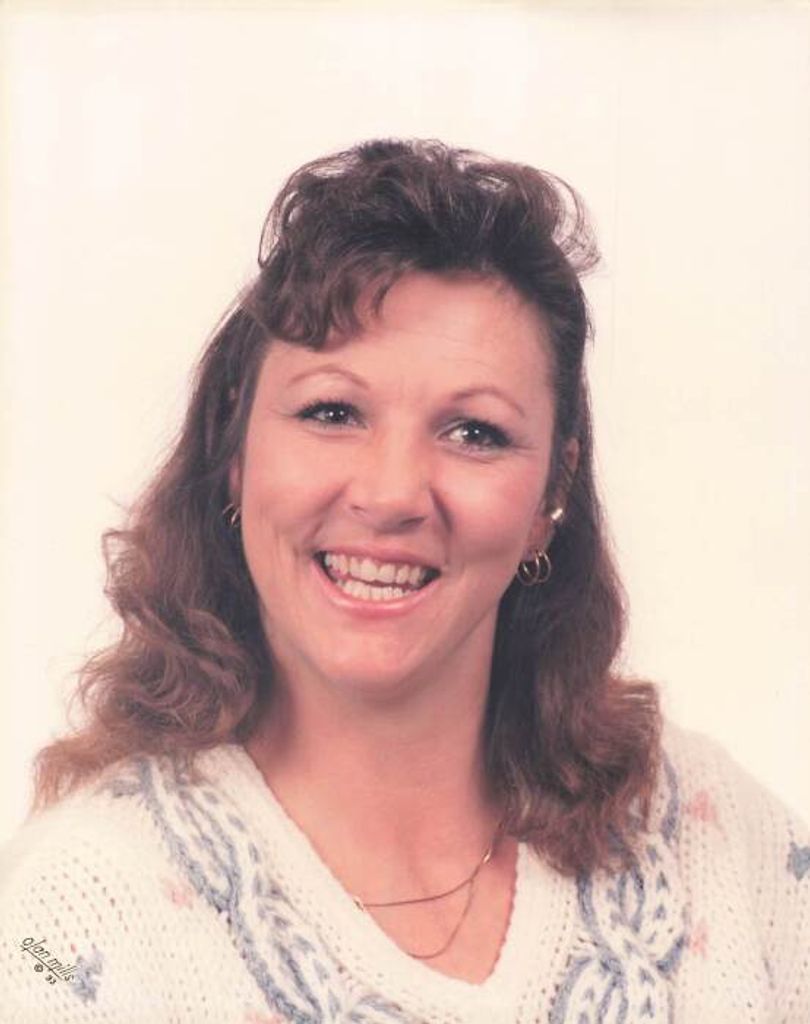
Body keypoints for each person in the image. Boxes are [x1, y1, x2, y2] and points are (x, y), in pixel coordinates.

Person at [0, 138, 807, 1023]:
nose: (390, 496)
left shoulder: (715, 836)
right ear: (235, 454)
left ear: (552, 495)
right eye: (332, 412)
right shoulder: (58, 926)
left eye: (475, 433)